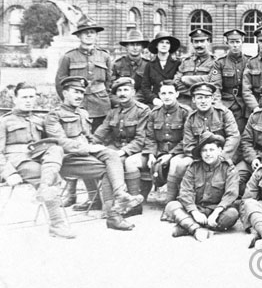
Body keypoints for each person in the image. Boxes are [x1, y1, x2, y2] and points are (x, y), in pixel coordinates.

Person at [43, 76, 144, 230]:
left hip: (83, 156)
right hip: (67, 158)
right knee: (107, 169)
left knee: (111, 155)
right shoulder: (54, 115)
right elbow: (60, 142)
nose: (79, 96)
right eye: (75, 92)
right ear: (64, 93)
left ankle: (121, 195)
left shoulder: (82, 113)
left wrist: (96, 145)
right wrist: (90, 148)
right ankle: (113, 215)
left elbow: (89, 137)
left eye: (81, 93)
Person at [1, 83, 74, 238]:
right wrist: (8, 173)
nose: (28, 101)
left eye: (31, 97)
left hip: (38, 157)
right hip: (17, 160)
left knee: (56, 148)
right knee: (48, 174)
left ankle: (44, 188)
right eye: (24, 97)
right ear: (14, 99)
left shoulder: (39, 119)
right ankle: (57, 224)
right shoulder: (4, 121)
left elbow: (49, 144)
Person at [163, 132, 240, 241]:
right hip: (197, 208)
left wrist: (216, 212)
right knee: (171, 206)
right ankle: (196, 229)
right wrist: (194, 212)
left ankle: (186, 225)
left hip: (217, 210)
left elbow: (231, 194)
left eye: (211, 150)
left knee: (232, 214)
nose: (208, 154)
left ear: (220, 151)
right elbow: (185, 192)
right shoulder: (194, 167)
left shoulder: (228, 168)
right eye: (204, 150)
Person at [91, 77, 151, 214]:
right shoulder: (113, 112)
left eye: (126, 90)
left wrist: (123, 151)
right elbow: (102, 131)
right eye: (119, 90)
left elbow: (141, 139)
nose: (122, 93)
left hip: (136, 150)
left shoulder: (143, 110)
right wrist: (90, 144)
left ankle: (128, 204)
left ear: (133, 92)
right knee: (105, 161)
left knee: (112, 163)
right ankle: (110, 203)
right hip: (115, 148)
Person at [143, 79, 193, 208]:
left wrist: (170, 155)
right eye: (163, 93)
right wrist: (151, 154)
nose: (167, 96)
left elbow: (187, 139)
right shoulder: (154, 113)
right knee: (133, 162)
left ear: (177, 94)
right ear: (159, 95)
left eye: (170, 93)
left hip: (179, 152)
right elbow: (150, 137)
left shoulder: (185, 112)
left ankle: (169, 202)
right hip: (159, 151)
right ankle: (138, 203)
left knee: (175, 163)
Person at [55, 20, 112, 130]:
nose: (89, 35)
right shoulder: (69, 57)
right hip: (77, 104)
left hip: (100, 105)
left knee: (99, 136)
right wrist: (68, 101)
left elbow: (109, 80)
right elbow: (60, 82)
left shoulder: (104, 56)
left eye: (92, 32)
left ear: (96, 36)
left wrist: (106, 97)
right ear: (78, 36)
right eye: (85, 32)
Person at [182, 82, 241, 187]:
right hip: (201, 157)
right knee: (182, 166)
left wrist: (222, 156)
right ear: (193, 100)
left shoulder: (224, 113)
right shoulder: (191, 119)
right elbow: (188, 144)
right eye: (199, 98)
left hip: (223, 156)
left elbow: (234, 136)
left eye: (206, 97)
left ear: (212, 98)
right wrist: (202, 157)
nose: (203, 101)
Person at [210, 28, 251, 132]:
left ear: (242, 42)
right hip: (225, 102)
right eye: (232, 42)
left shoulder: (249, 61)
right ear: (227, 42)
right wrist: (218, 106)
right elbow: (216, 86)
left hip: (243, 105)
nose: (235, 45)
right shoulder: (220, 62)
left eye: (238, 42)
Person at [174, 28, 216, 107]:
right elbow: (176, 82)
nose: (199, 45)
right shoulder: (185, 61)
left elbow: (212, 80)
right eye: (196, 42)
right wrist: (194, 93)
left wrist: (186, 79)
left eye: (202, 41)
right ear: (192, 43)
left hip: (205, 103)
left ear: (208, 42)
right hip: (184, 103)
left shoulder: (215, 62)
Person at [140, 31, 181, 107]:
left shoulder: (177, 63)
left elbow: (180, 84)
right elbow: (145, 86)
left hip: (174, 101)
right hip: (156, 102)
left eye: (167, 43)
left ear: (170, 46)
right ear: (156, 45)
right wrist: (154, 99)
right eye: (161, 42)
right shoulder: (150, 65)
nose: (164, 45)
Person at [111, 29, 150, 105]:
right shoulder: (117, 64)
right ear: (126, 47)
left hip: (141, 103)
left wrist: (132, 100)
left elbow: (147, 88)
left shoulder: (148, 65)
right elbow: (111, 87)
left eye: (138, 45)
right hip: (120, 102)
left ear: (142, 47)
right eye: (132, 44)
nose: (135, 48)